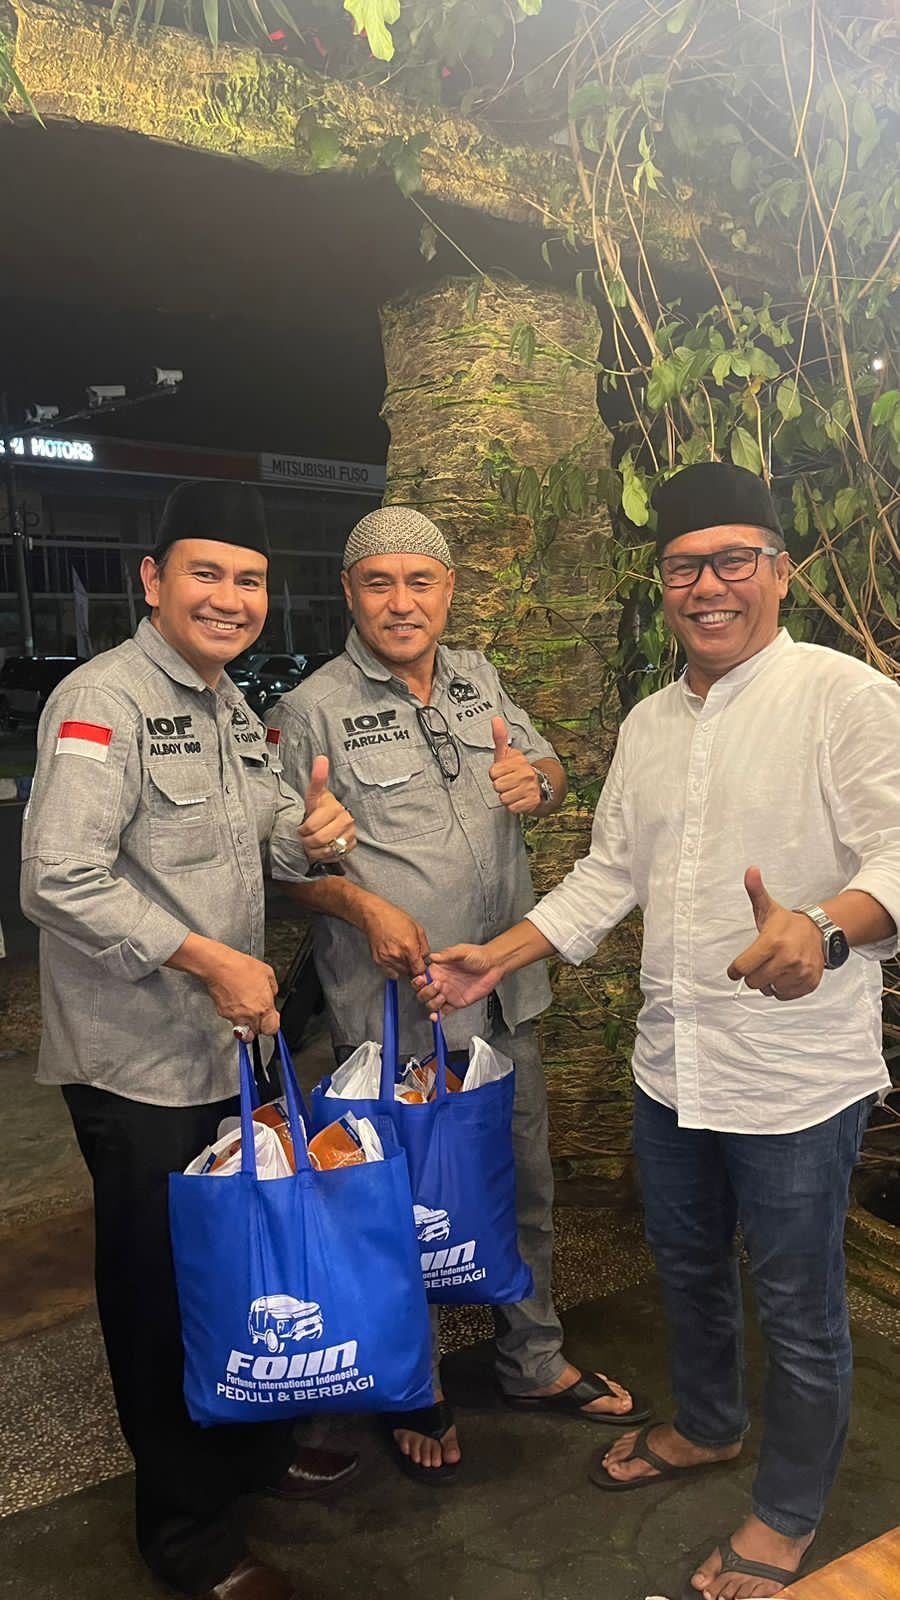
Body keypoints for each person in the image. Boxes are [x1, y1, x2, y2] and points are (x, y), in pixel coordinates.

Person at [414, 462, 900, 1598]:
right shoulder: (649, 722)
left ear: (781, 571)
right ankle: (712, 1426)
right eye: (686, 566)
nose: (709, 585)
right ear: (664, 582)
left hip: (793, 1077)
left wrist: (826, 927)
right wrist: (501, 951)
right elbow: (611, 872)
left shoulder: (844, 697)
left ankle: (787, 1512)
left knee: (798, 1304)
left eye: (735, 561)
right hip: (673, 1065)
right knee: (685, 1266)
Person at [21, 481, 361, 1600]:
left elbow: (260, 831)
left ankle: (250, 1457)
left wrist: (311, 833)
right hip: (139, 1062)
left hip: (230, 1051)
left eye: (250, 579)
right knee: (160, 1295)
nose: (230, 597)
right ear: (152, 580)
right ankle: (185, 1531)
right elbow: (57, 877)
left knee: (238, 1262)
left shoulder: (227, 703)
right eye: (205, 573)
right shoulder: (101, 701)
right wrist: (209, 959)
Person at [265, 504, 649, 1485]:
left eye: (420, 581)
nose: (402, 602)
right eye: (379, 583)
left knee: (522, 1184)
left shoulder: (479, 676)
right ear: (349, 593)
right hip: (394, 1016)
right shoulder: (311, 710)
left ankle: (532, 1357)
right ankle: (414, 1385)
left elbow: (544, 769)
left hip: (504, 994)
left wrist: (540, 784)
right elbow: (278, 872)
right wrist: (346, 890)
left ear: (447, 590)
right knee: (400, 1209)